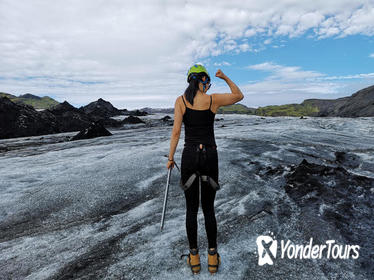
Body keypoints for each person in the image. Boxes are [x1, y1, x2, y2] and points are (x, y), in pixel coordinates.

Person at [166, 64, 244, 274]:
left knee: (191, 210)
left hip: (190, 156)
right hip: (210, 155)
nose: (208, 85)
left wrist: (171, 158)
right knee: (208, 209)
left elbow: (175, 133)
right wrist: (225, 76)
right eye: (207, 81)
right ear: (201, 79)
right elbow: (239, 95)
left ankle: (194, 259)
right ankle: (212, 258)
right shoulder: (213, 100)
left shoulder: (181, 101)